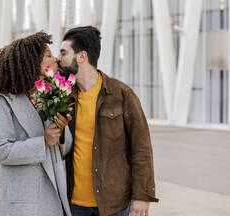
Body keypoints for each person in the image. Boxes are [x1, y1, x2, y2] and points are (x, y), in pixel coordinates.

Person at [57, 26, 159, 216]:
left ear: (81, 57)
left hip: (114, 204)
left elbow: (141, 147)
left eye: (63, 52)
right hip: (73, 204)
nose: (58, 59)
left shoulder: (122, 95)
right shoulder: (63, 97)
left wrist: (142, 196)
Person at [0, 32, 73, 216]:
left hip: (54, 197)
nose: (56, 59)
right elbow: (0, 150)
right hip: (25, 203)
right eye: (48, 56)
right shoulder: (3, 102)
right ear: (33, 63)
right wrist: (42, 143)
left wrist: (62, 131)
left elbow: (62, 152)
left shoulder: (50, 96)